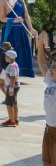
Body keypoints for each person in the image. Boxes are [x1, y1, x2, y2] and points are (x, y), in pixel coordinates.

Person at [0, 0, 37, 77]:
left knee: (22, 51)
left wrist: (31, 28)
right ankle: (8, 73)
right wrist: (14, 20)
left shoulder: (21, 1)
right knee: (9, 51)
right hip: (9, 29)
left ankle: (21, 72)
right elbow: (2, 18)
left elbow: (26, 16)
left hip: (21, 29)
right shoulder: (1, 1)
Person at [37, 32, 56, 165]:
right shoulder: (50, 81)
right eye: (52, 65)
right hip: (48, 130)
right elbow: (41, 61)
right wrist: (40, 42)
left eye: (54, 66)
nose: (50, 68)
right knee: (47, 162)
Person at [1, 50, 20, 127]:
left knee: (9, 104)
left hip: (12, 86)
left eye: (6, 56)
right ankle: (15, 119)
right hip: (16, 86)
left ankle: (11, 121)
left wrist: (11, 89)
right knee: (14, 103)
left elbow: (12, 78)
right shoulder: (15, 64)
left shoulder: (11, 66)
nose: (5, 58)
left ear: (10, 57)